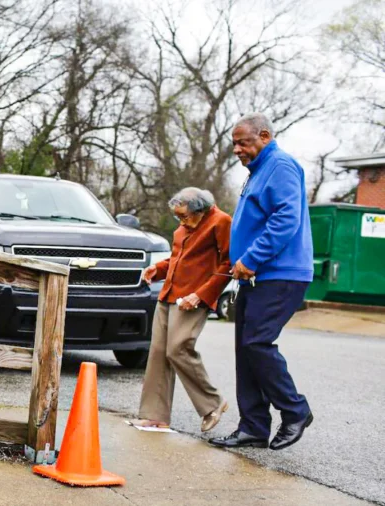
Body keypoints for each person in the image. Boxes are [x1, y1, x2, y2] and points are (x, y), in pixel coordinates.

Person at [210, 113, 314, 450]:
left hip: (280, 274)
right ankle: (253, 427)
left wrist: (251, 259)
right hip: (256, 276)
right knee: (245, 349)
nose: (237, 150)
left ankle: (295, 410)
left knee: (257, 343)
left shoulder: (281, 166)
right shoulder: (257, 172)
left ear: (265, 136)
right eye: (234, 144)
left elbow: (286, 219)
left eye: (243, 142)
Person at [136, 188, 232, 432]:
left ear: (201, 210)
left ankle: (213, 404)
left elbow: (227, 264)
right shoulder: (183, 227)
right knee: (158, 352)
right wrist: (156, 269)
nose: (181, 221)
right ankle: (156, 415)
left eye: (185, 216)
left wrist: (202, 295)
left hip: (194, 297)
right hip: (169, 294)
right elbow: (178, 259)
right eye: (178, 217)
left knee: (178, 348)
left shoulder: (221, 222)